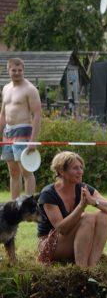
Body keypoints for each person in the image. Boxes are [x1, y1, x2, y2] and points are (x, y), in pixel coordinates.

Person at [36, 151, 107, 268]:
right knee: (87, 218)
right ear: (61, 171)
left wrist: (94, 202)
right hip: (50, 245)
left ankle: (92, 267)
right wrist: (81, 207)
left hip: (71, 241)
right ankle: (82, 269)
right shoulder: (48, 194)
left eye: (81, 167)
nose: (80, 171)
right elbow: (61, 229)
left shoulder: (83, 188)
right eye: (75, 168)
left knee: (103, 215)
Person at [0, 57, 42, 200]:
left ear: (23, 70)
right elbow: (3, 114)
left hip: (23, 131)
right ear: (8, 71)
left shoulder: (30, 89)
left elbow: (37, 115)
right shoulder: (6, 88)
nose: (17, 73)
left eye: (19, 70)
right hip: (8, 133)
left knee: (26, 171)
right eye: (14, 70)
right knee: (13, 172)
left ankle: (30, 205)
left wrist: (33, 140)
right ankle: (14, 206)